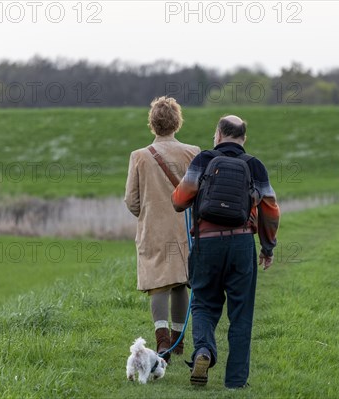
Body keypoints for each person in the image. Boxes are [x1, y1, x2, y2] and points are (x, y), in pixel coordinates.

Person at [171, 115, 280, 389]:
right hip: (242, 243)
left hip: (207, 243)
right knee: (241, 313)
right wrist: (267, 247)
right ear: (244, 138)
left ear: (218, 135)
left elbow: (179, 200)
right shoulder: (255, 166)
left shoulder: (203, 160)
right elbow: (271, 209)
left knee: (203, 303)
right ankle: (235, 382)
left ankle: (204, 351)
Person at [124, 96, 200, 362]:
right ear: (177, 122)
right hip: (184, 229)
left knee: (158, 285)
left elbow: (131, 200)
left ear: (152, 124)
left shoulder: (139, 156)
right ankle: (178, 343)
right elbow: (200, 193)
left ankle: (162, 343)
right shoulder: (193, 152)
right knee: (180, 283)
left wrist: (147, 214)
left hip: (152, 230)